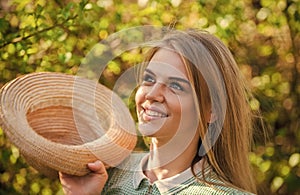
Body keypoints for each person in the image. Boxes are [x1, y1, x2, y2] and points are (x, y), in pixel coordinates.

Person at [59, 29, 259, 194]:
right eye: (149, 79)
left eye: (176, 86)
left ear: (212, 110)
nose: (152, 94)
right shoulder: (105, 172)